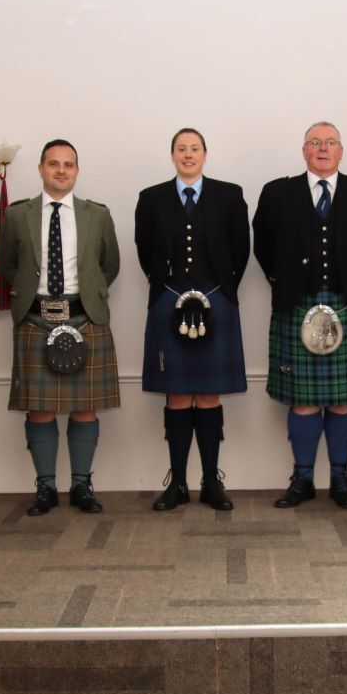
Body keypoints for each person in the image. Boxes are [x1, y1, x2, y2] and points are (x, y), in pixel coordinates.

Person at [252, 122, 347, 509]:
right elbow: (262, 243)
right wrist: (284, 281)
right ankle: (303, 478)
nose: (323, 148)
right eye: (315, 142)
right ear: (304, 151)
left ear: (341, 151)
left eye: (330, 142)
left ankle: (341, 478)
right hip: (297, 304)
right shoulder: (277, 193)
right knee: (303, 400)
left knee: (343, 400)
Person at [0, 139, 120, 515]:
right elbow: (7, 264)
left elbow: (109, 265)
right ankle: (46, 488)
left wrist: (87, 297)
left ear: (77, 171)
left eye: (68, 165)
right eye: (54, 164)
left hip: (85, 317)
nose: (61, 171)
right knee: (39, 409)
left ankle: (81, 486)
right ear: (41, 169)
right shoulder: (17, 215)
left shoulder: (97, 214)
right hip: (35, 320)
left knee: (85, 407)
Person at [135, 129, 250, 511]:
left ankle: (211, 483)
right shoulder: (151, 198)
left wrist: (222, 289)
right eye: (181, 149)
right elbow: (144, 249)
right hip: (168, 301)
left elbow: (241, 249)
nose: (188, 154)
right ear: (172, 155)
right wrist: (166, 287)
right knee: (178, 394)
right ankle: (179, 484)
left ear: (205, 154)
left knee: (209, 393)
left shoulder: (229, 195)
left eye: (195, 149)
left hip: (217, 301)